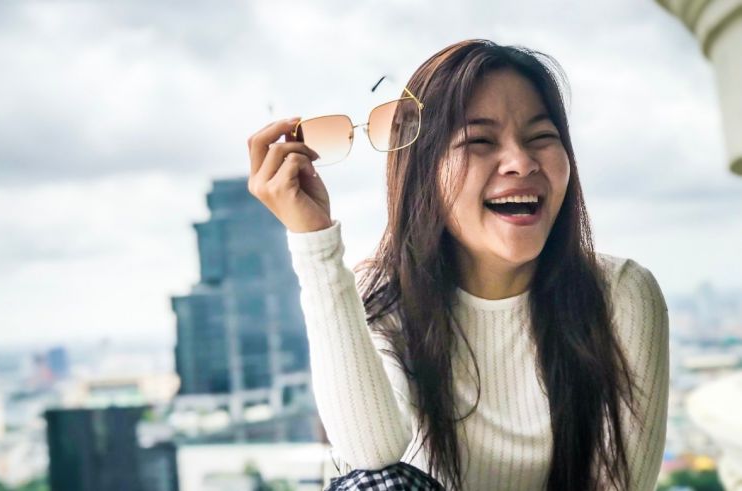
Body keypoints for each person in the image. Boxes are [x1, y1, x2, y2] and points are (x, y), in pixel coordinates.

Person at [246, 39, 669, 491]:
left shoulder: (620, 294)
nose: (520, 162)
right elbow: (371, 457)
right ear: (423, 170)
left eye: (541, 137)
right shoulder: (383, 293)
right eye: (480, 141)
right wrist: (314, 242)